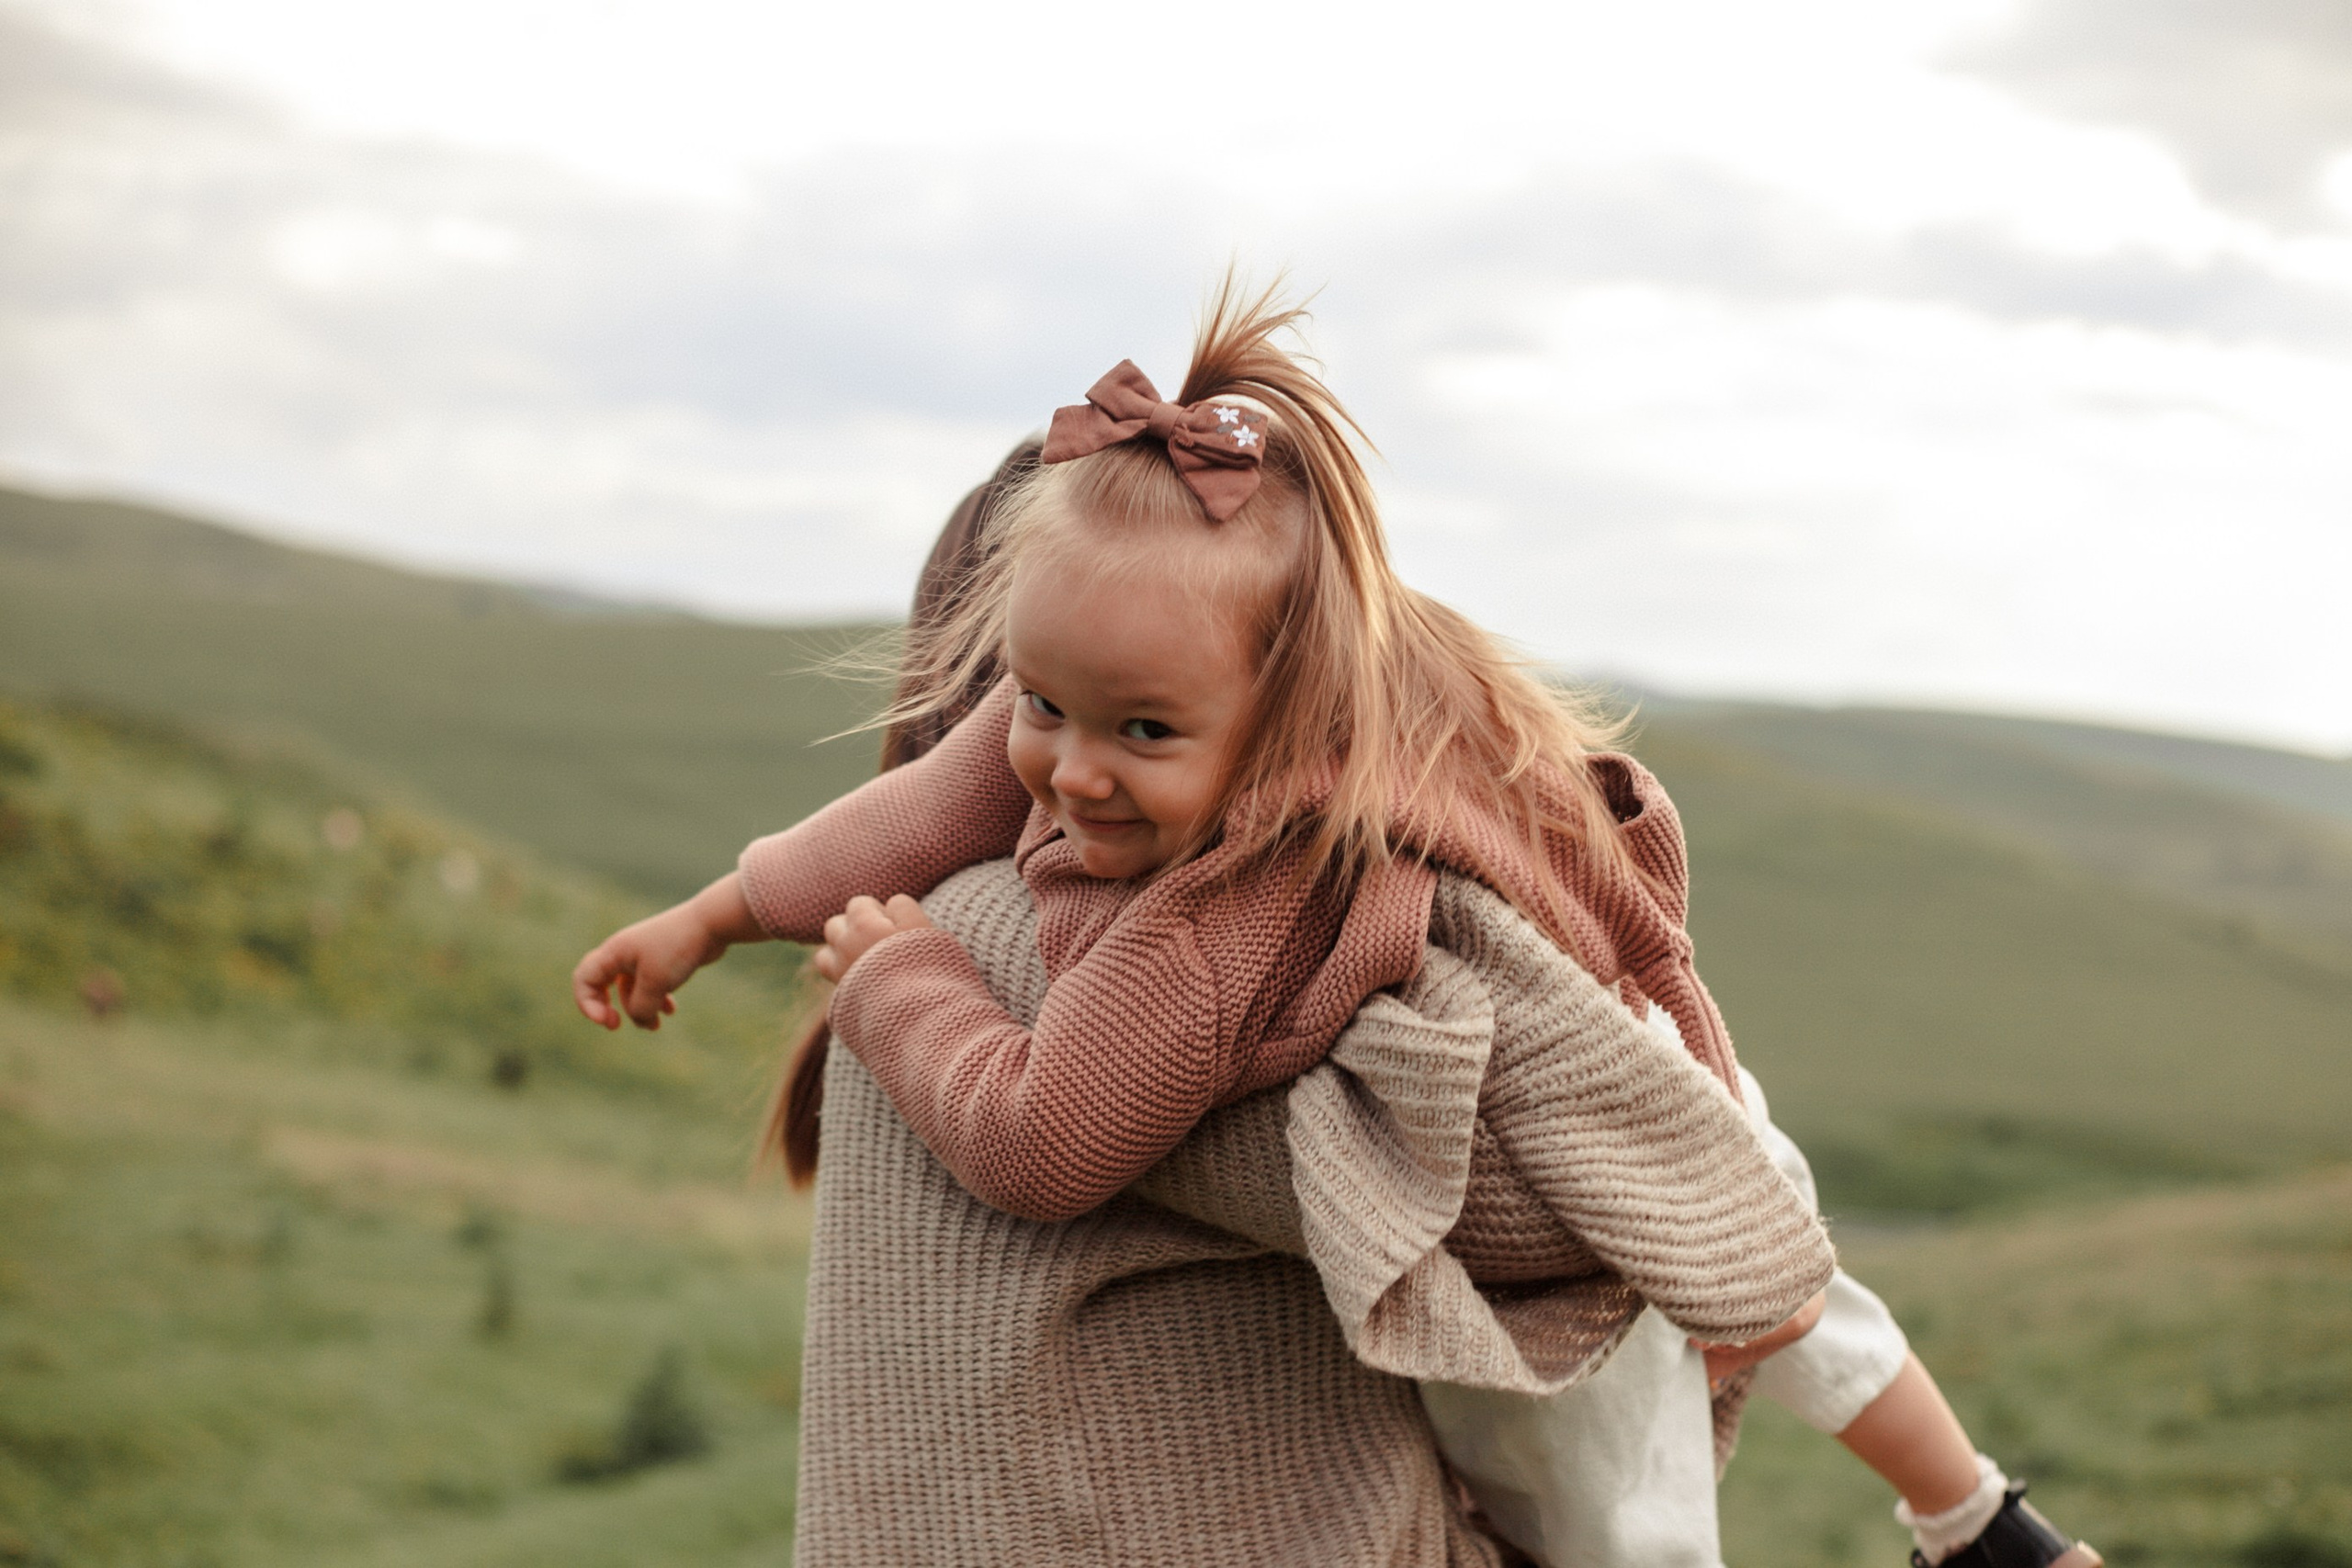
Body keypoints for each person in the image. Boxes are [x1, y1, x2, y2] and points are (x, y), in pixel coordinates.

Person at [572, 280, 2094, 1568]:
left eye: (1144, 728)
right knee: (1692, 1317)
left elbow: (939, 852)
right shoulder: (1053, 896)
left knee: (1693, 1286)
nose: (1067, 770)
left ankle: (1966, 1511)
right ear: (1008, 667)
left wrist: (835, 956)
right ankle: (1971, 1510)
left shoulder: (1189, 912)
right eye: (1044, 710)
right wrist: (762, 927)